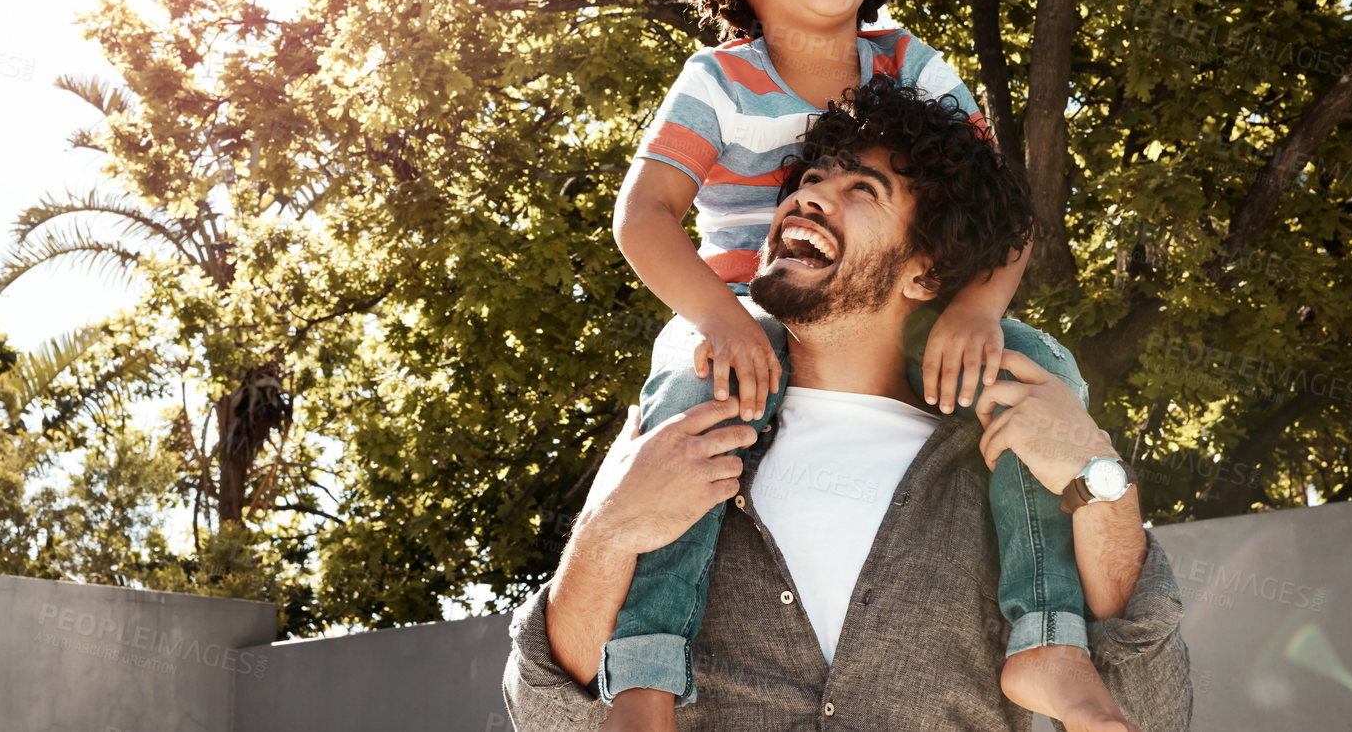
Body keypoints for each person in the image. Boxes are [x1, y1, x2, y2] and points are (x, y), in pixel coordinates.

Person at [606, 0, 1127, 727]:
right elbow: (642, 216)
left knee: (1037, 369)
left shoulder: (910, 64)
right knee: (685, 413)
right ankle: (647, 669)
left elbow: (1004, 214)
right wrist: (719, 322)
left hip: (894, 299)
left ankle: (1046, 635)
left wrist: (977, 311)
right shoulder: (720, 77)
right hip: (738, 303)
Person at [504, 77, 1192, 731]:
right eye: (808, 181)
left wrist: (1103, 483)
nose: (809, 198)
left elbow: (1152, 714)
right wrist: (608, 530)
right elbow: (546, 715)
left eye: (862, 188)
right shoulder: (681, 425)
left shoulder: (1006, 443)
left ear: (926, 271)